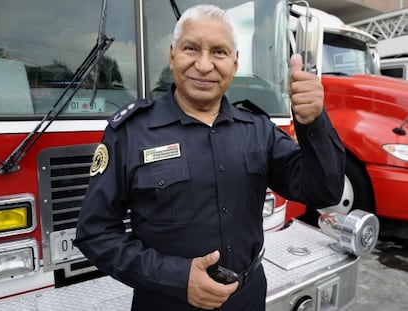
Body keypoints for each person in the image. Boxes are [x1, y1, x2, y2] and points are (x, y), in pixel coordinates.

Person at [74, 4, 345, 311]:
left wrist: (314, 124)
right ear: (173, 54)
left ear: (235, 61)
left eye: (219, 52)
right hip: (165, 303)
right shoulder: (130, 133)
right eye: (191, 48)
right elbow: (95, 233)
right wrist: (177, 278)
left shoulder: (258, 130)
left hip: (248, 298)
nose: (204, 65)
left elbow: (324, 191)